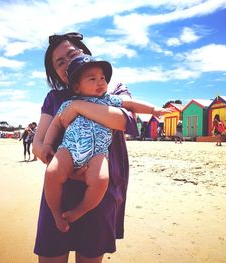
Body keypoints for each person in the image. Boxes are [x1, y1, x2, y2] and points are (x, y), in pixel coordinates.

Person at [32, 32, 165, 262]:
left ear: (85, 54)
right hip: (60, 187)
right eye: (60, 62)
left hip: (99, 189)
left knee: (90, 255)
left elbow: (125, 120)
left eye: (72, 55)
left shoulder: (113, 89)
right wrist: (41, 150)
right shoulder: (54, 97)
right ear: (54, 72)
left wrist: (77, 107)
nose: (68, 63)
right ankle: (57, 213)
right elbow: (39, 141)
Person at [41, 54, 171, 232]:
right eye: (92, 79)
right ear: (77, 87)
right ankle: (56, 213)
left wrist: (154, 110)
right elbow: (56, 123)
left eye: (102, 77)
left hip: (98, 152)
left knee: (101, 180)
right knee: (52, 173)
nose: (100, 82)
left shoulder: (109, 100)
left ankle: (80, 211)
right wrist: (47, 145)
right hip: (69, 148)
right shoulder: (68, 103)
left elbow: (131, 104)